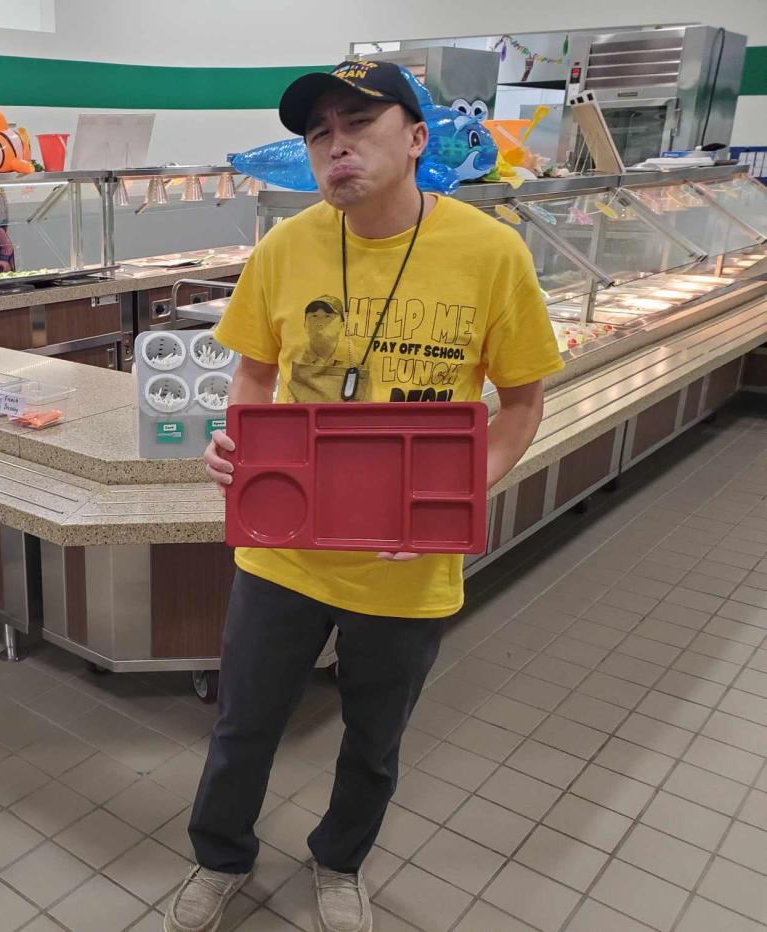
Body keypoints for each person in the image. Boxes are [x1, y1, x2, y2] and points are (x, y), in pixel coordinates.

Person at [165, 60, 563, 932]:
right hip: (286, 551)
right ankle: (218, 857)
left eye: (357, 124)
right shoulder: (284, 245)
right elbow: (252, 370)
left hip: (409, 562)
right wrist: (242, 444)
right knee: (243, 728)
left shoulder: (491, 253)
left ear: (418, 139)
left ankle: (339, 862)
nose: (335, 146)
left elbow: (524, 402)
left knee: (373, 742)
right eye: (318, 134)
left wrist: (454, 497)